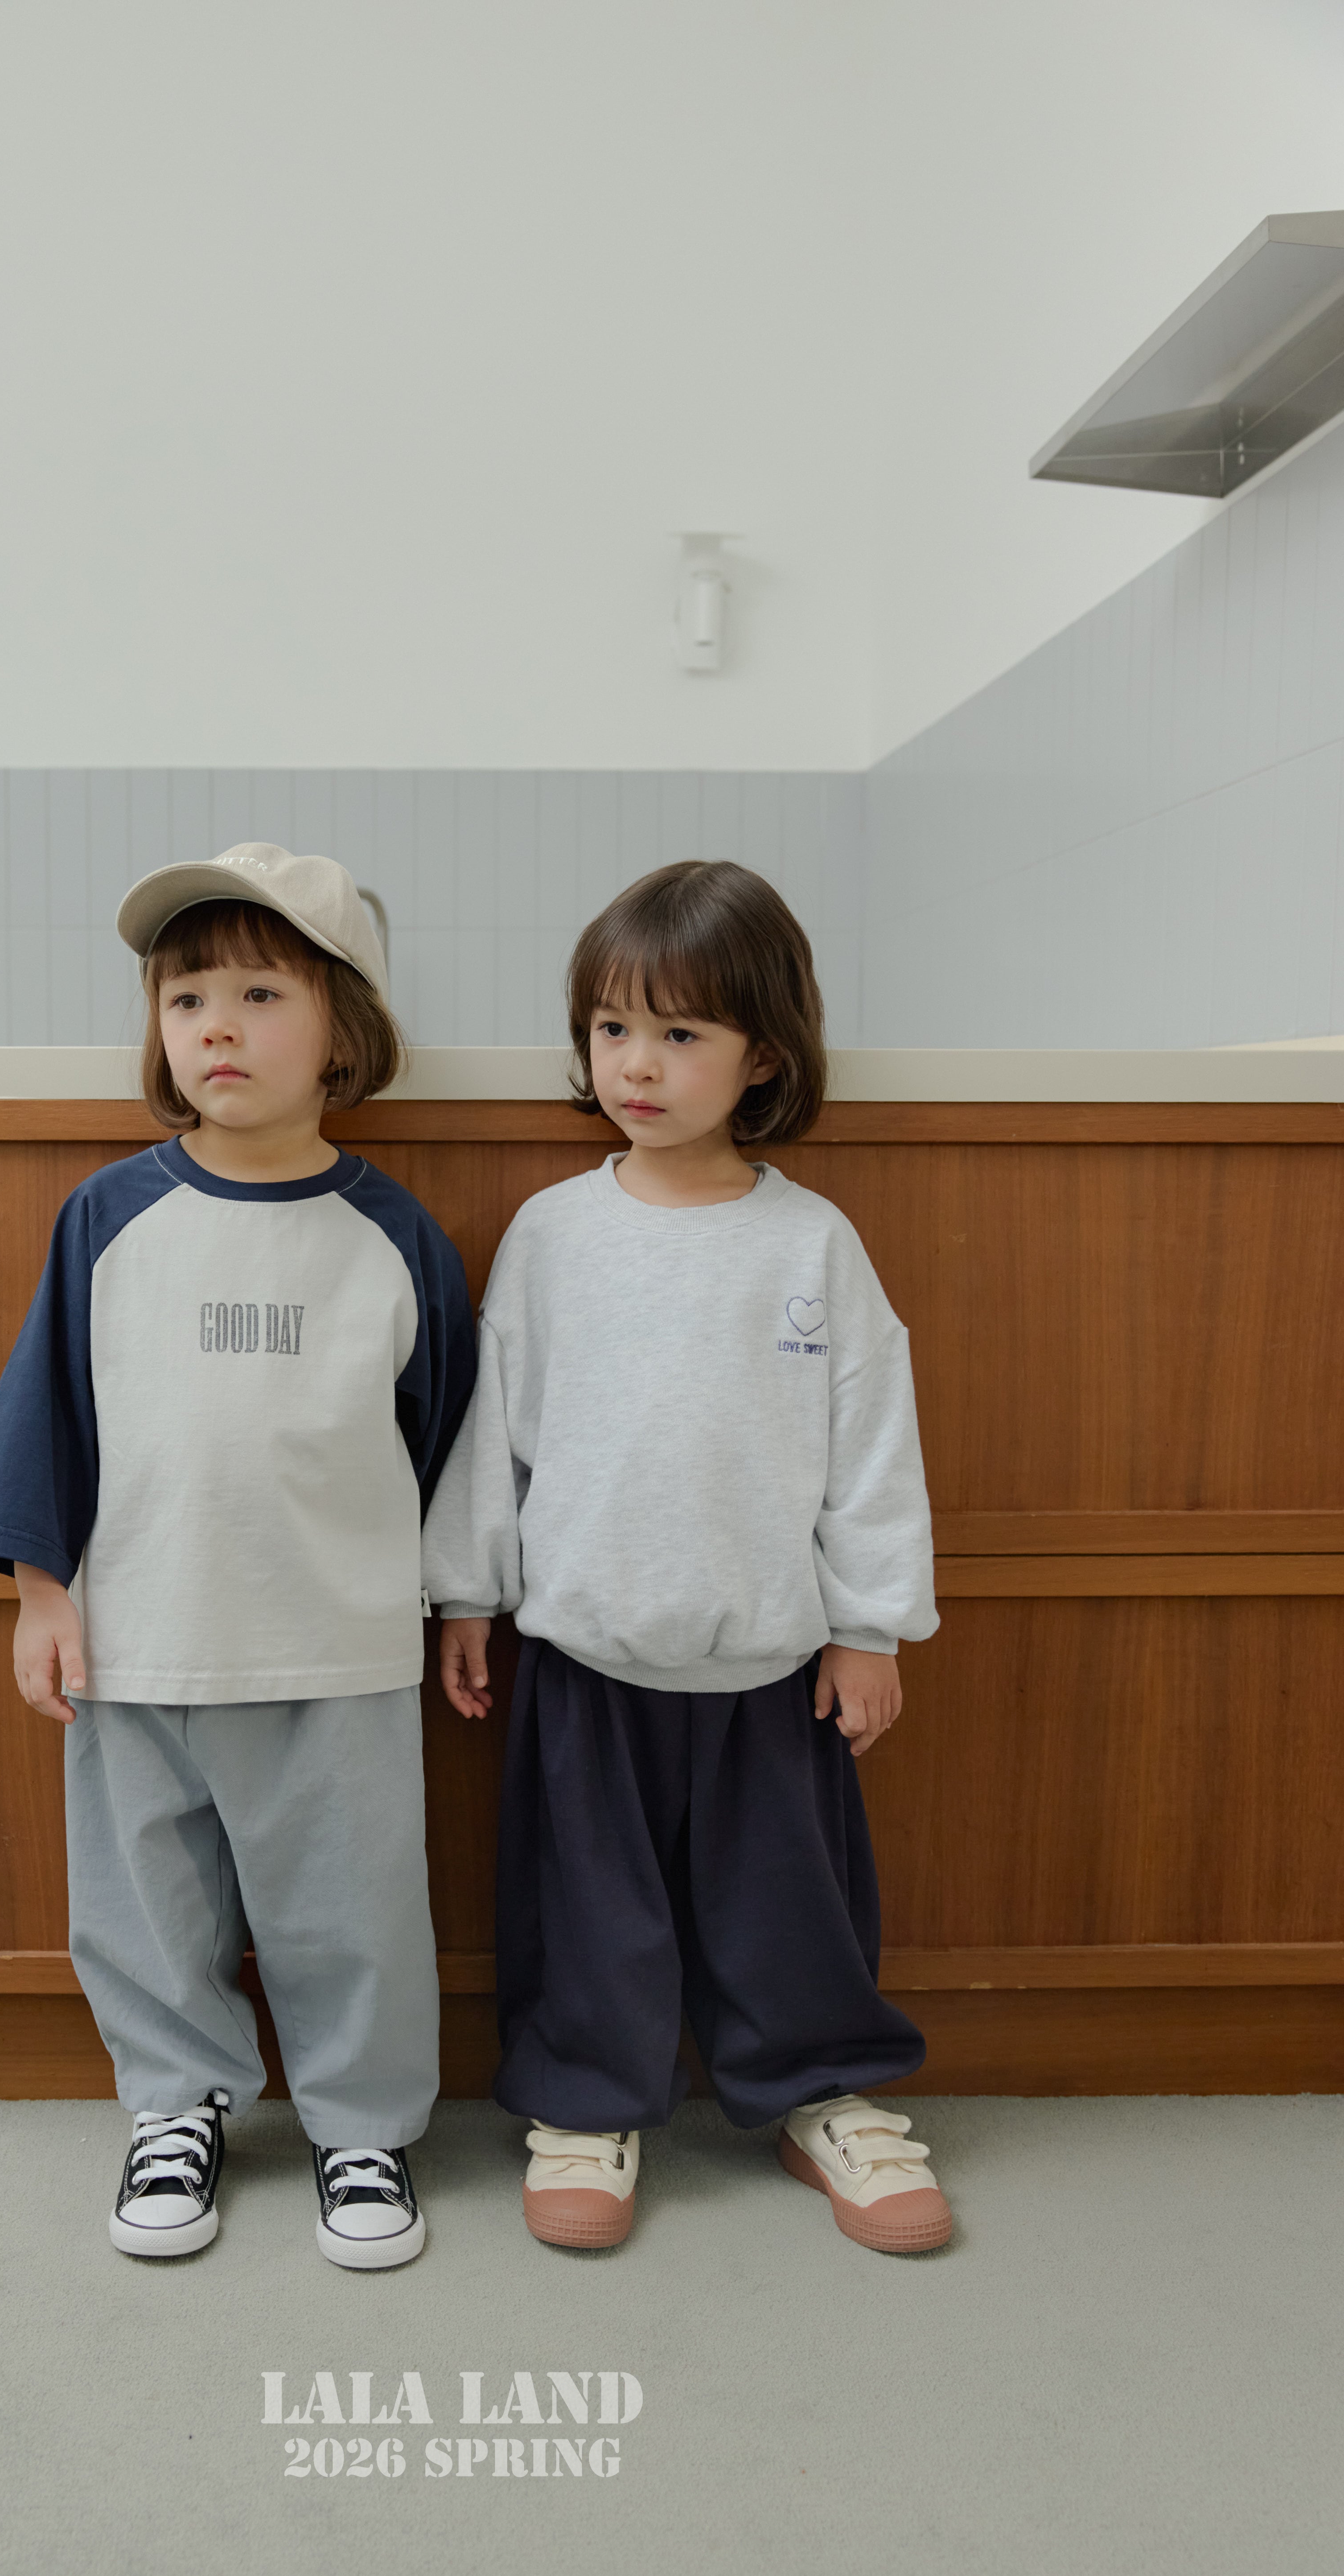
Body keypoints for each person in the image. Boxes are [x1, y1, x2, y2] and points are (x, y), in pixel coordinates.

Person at [0, 844, 475, 2271]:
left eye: (259, 994)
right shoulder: (109, 1219)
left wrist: (443, 1599)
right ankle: (175, 2106)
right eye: (186, 1000)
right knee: (146, 1902)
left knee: (355, 1906)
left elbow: (442, 1442)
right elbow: (47, 1415)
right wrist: (41, 1596)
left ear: (345, 1030)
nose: (216, 1028)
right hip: (140, 1640)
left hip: (341, 1647)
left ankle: (364, 2129)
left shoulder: (393, 1238)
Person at [423, 858, 950, 2256]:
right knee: (588, 1905)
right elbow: (495, 1430)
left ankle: (822, 2095)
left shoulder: (812, 1243)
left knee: (790, 1907)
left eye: (679, 1033)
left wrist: (871, 1626)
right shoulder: (554, 1233)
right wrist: (467, 1592)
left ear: (762, 1055)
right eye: (612, 1028)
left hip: (772, 1660)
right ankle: (587, 2101)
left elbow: (870, 1443)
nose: (637, 1065)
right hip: (586, 1652)